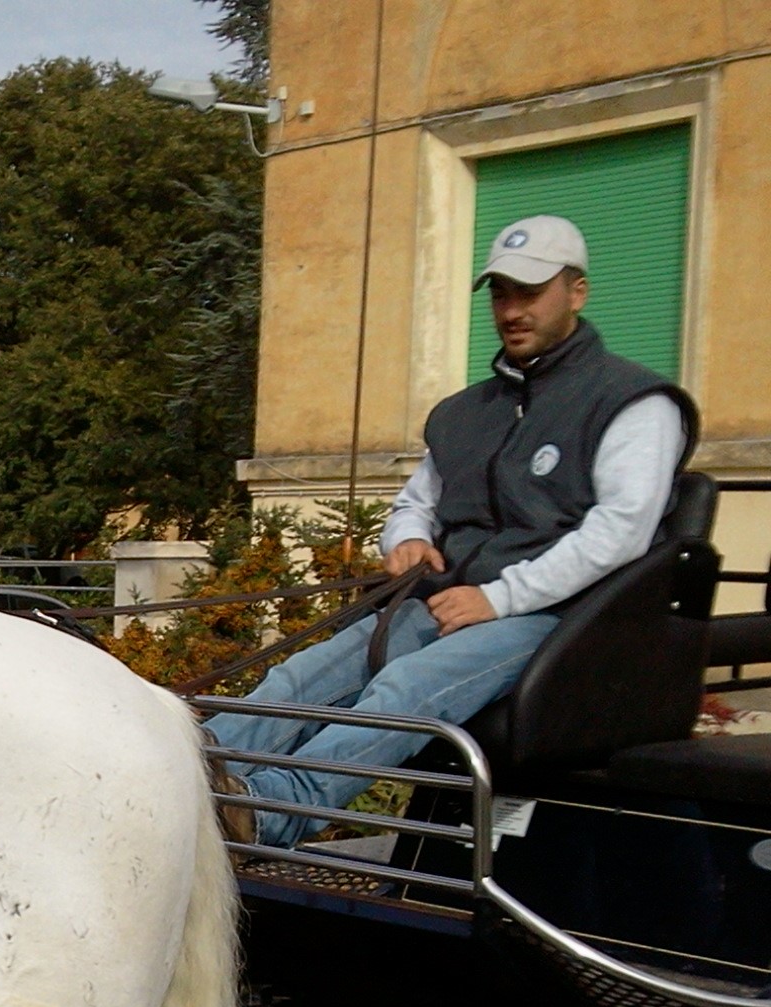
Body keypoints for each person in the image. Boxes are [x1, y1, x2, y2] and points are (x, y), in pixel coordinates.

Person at [210, 215, 696, 847]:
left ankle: (268, 814)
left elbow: (622, 532)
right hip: (450, 602)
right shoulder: (466, 413)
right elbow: (417, 504)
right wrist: (405, 541)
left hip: (562, 620)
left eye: (530, 292)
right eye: (500, 294)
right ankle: (196, 778)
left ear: (576, 292)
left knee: (405, 688)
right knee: (304, 676)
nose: (512, 310)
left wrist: (500, 598)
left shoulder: (633, 402)